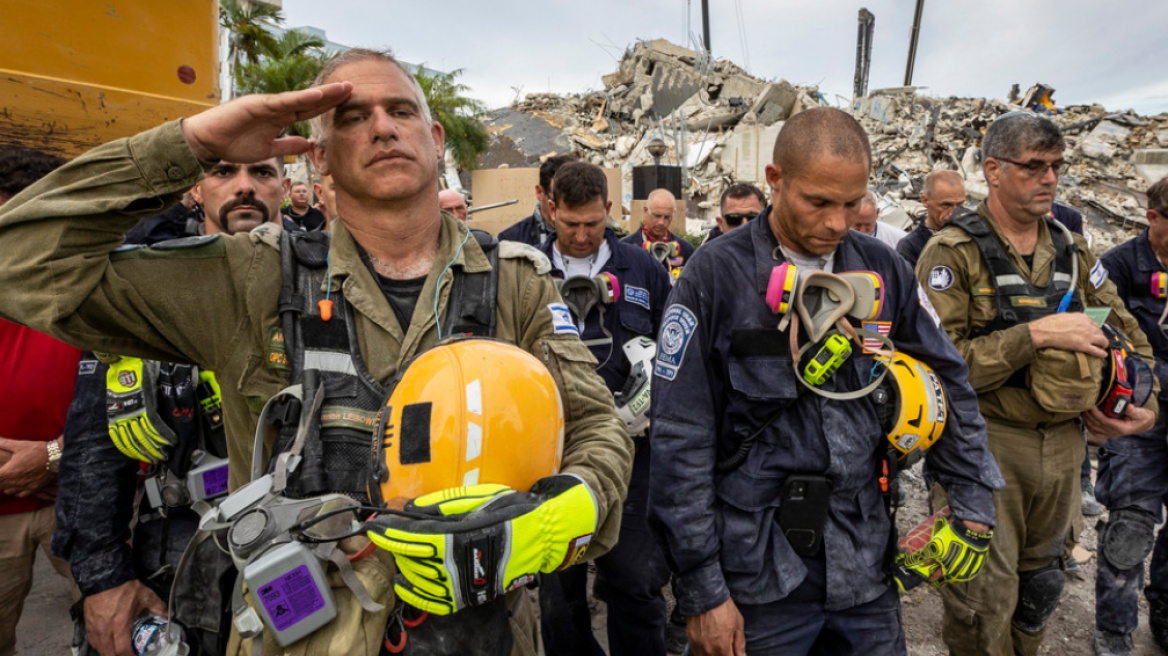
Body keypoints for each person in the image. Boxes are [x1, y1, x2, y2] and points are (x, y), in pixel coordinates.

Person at [0, 47, 631, 656]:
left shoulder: (516, 282)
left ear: (436, 138)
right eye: (353, 117)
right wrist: (191, 143)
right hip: (299, 637)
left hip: (484, 632)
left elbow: (595, 424)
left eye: (401, 110)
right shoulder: (250, 279)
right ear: (318, 157)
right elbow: (19, 264)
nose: (383, 127)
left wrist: (568, 508)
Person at [649, 107, 1002, 656]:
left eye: (851, 203)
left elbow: (948, 377)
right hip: (756, 574)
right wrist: (703, 591)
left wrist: (972, 500)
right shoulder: (713, 276)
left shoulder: (884, 268)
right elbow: (680, 437)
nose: (837, 223)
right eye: (818, 202)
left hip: (864, 563)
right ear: (775, 180)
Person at [917, 111, 1156, 656]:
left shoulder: (1072, 249)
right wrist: (1036, 335)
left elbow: (1127, 332)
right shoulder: (952, 253)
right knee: (982, 599)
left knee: (1041, 588)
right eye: (1033, 167)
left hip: (1066, 446)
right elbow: (937, 366)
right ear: (993, 170)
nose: (1049, 178)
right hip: (985, 445)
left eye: (1056, 166)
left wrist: (1146, 403)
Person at [53, 155, 287, 656]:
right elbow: (93, 453)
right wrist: (103, 579)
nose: (244, 186)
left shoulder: (323, 282)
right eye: (223, 172)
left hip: (304, 546)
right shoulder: (145, 286)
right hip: (177, 554)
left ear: (285, 187)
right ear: (195, 190)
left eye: (262, 172)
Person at [535, 161, 673, 656]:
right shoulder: (526, 271)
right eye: (570, 223)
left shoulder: (645, 269)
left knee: (636, 580)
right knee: (557, 591)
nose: (581, 235)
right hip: (550, 454)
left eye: (593, 224)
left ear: (609, 210)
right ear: (551, 209)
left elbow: (675, 350)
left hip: (634, 454)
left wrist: (657, 400)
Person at [0, 146, 81, 656]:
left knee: (115, 633)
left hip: (83, 501)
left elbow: (139, 401)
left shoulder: (97, 285)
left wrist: (54, 455)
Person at [1092, 177, 1168, 656]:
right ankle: (1114, 629)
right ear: (1153, 218)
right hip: (1138, 418)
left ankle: (1164, 613)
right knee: (1130, 527)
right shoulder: (1118, 266)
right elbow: (1093, 333)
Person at [497, 154, 576, 246]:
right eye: (558, 201)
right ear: (540, 192)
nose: (570, 209)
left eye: (576, 201)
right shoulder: (511, 241)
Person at [897, 171, 966, 268]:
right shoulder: (910, 246)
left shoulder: (971, 237)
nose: (954, 213)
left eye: (959, 205)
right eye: (946, 205)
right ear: (925, 201)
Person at [622, 188, 695, 267]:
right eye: (657, 216)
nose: (661, 222)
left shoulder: (686, 250)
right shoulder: (624, 248)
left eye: (667, 217)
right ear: (646, 211)